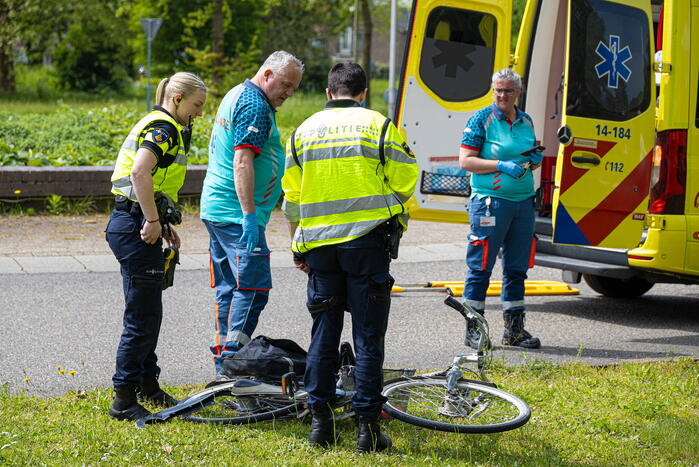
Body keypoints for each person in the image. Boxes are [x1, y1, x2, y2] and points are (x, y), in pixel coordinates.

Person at [281, 62, 419, 452]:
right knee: (368, 338)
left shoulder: (302, 131)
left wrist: (299, 245)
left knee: (323, 337)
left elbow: (292, 198)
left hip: (320, 249)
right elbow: (407, 179)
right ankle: (367, 431)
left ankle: (320, 425)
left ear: (329, 93)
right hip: (367, 248)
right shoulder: (378, 125)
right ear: (362, 94)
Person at [106, 72, 207, 420]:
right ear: (177, 99)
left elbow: (151, 181)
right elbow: (139, 173)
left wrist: (160, 223)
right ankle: (123, 399)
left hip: (134, 222)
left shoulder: (163, 124)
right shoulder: (163, 128)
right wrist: (150, 221)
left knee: (149, 312)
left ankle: (147, 386)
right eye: (197, 106)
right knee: (142, 315)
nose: (199, 114)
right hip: (134, 224)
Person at [200, 51, 304, 375]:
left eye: (293, 88)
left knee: (229, 288)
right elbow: (242, 160)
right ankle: (233, 363)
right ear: (268, 74)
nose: (288, 93)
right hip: (236, 215)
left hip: (217, 208)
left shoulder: (237, 93)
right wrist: (248, 215)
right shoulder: (255, 105)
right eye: (285, 84)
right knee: (253, 288)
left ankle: (223, 362)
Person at [459, 68, 542, 349]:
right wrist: (500, 165)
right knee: (481, 267)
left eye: (508, 90)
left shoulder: (526, 120)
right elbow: (466, 161)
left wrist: (535, 158)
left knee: (517, 269)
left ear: (518, 91)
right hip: (490, 202)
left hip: (523, 202)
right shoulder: (481, 119)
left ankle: (515, 331)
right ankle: (475, 331)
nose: (502, 95)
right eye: (498, 90)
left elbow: (527, 155)